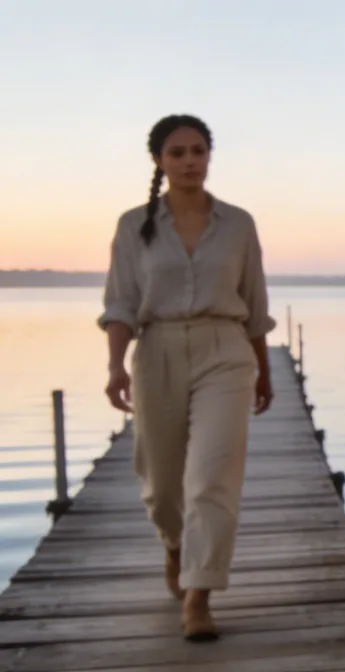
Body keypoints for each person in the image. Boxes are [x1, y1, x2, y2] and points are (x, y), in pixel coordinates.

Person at [99, 114, 276, 642]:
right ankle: (175, 548)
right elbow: (121, 303)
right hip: (156, 352)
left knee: (212, 477)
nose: (189, 161)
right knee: (161, 484)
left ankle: (199, 594)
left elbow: (256, 303)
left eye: (197, 150)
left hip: (225, 349)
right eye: (177, 152)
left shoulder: (238, 223)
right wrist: (114, 366)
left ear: (209, 156)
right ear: (159, 160)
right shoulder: (135, 225)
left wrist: (264, 371)